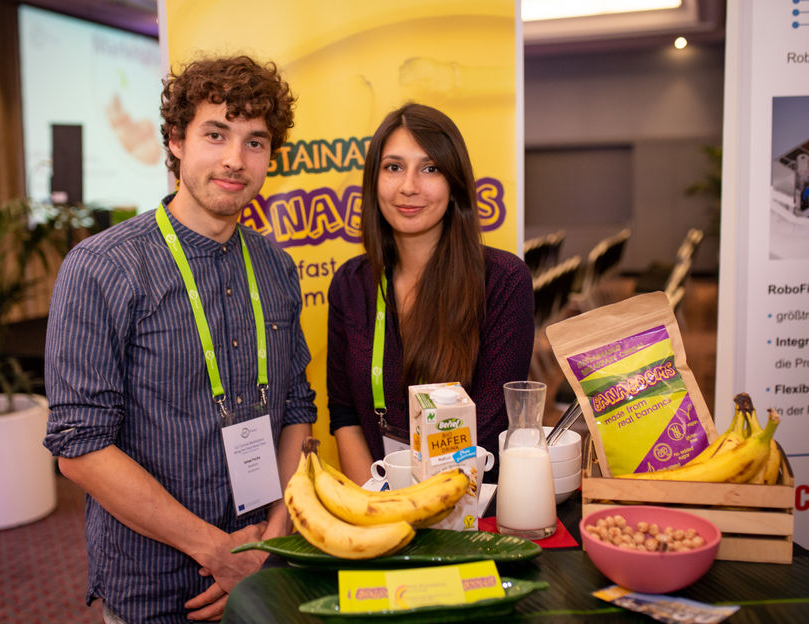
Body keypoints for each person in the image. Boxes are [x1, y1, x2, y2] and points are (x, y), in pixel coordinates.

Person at [44, 55, 316, 623]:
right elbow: (80, 449)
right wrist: (219, 553)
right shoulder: (102, 268)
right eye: (215, 134)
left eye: (255, 142)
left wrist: (271, 541)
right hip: (159, 588)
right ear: (175, 140)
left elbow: (296, 409)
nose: (235, 160)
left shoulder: (276, 267)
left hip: (270, 564)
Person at [327, 103, 534, 485]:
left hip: (469, 507)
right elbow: (346, 416)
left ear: (454, 182)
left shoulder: (502, 281)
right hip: (381, 505)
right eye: (393, 167)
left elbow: (488, 427)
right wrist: (378, 511)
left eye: (430, 168)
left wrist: (422, 508)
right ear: (374, 181)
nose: (409, 186)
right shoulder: (350, 284)